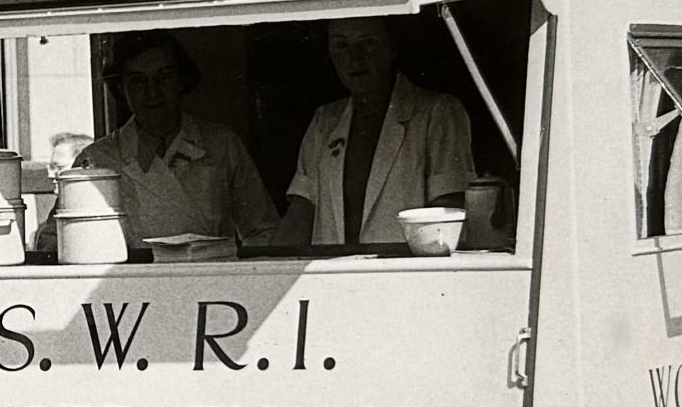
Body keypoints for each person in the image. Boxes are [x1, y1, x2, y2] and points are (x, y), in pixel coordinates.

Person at [48, 32, 279, 251]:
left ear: (181, 80)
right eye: (138, 81)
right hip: (130, 289)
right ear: (121, 88)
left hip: (212, 287)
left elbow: (263, 230)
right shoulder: (97, 159)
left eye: (164, 77)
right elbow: (53, 238)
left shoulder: (221, 145)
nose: (153, 92)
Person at [273, 16, 475, 247]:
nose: (355, 58)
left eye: (368, 43)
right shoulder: (325, 121)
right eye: (341, 45)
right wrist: (265, 270)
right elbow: (302, 208)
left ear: (392, 47)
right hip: (332, 277)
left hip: (407, 275)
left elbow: (449, 211)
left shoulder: (437, 112)